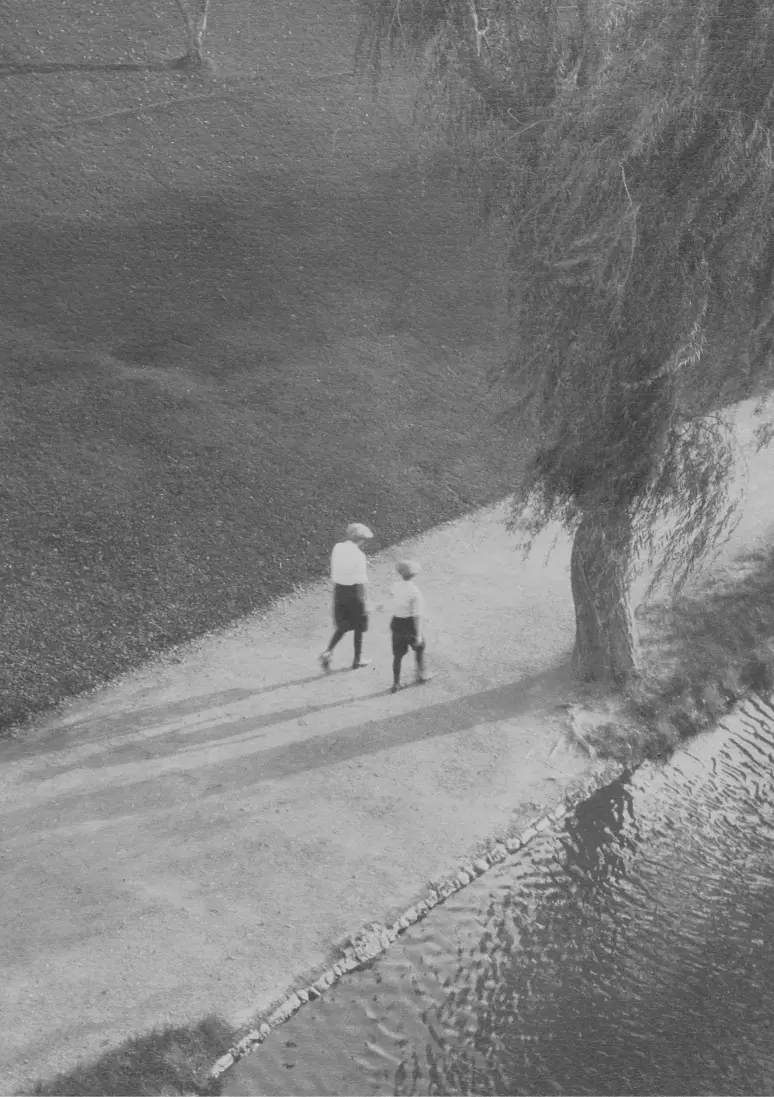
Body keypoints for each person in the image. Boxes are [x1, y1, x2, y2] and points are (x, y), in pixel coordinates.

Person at [319, 523, 373, 671]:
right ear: (361, 540)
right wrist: (367, 601)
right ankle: (357, 659)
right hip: (354, 592)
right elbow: (362, 582)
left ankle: (328, 652)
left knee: (342, 625)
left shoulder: (338, 547)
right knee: (358, 627)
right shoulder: (359, 556)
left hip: (339, 590)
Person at [389, 559, 431, 693]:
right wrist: (418, 635)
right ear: (414, 575)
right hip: (410, 626)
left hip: (396, 623)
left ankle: (396, 683)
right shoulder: (415, 593)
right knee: (419, 649)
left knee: (397, 656)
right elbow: (417, 616)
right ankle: (421, 674)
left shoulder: (395, 586)